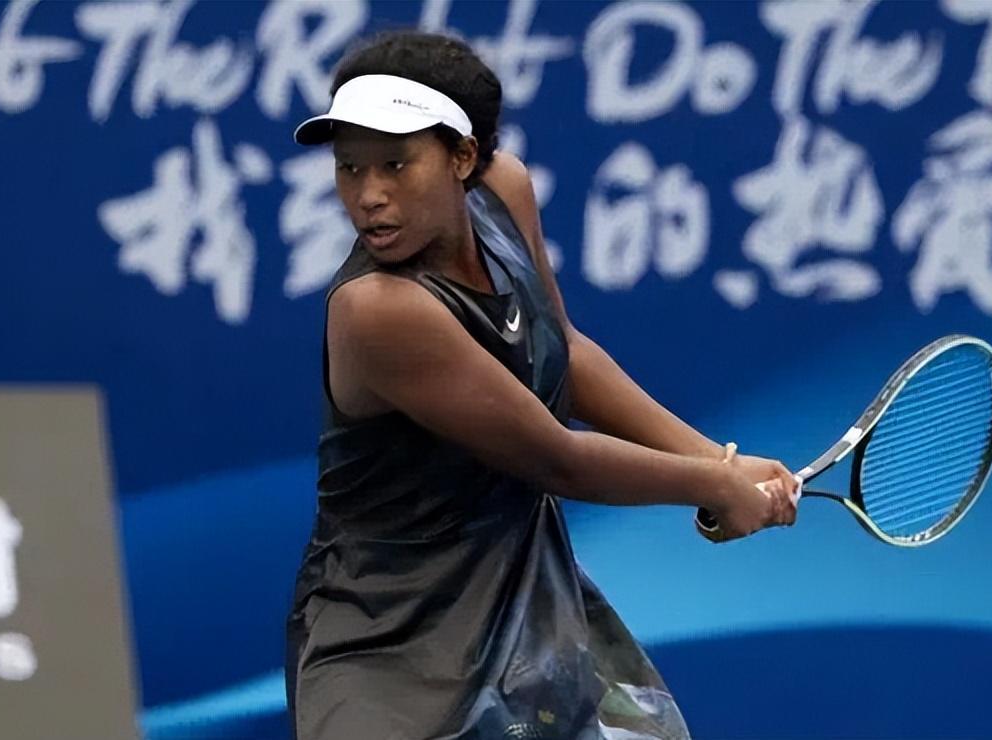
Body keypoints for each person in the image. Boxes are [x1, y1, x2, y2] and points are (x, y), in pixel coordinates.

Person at [286, 30, 799, 740]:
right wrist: (713, 485)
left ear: (463, 157)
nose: (368, 195)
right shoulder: (378, 310)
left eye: (396, 164)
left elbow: (563, 353)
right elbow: (558, 458)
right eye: (349, 168)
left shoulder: (504, 193)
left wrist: (719, 460)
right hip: (390, 648)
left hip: (527, 606)